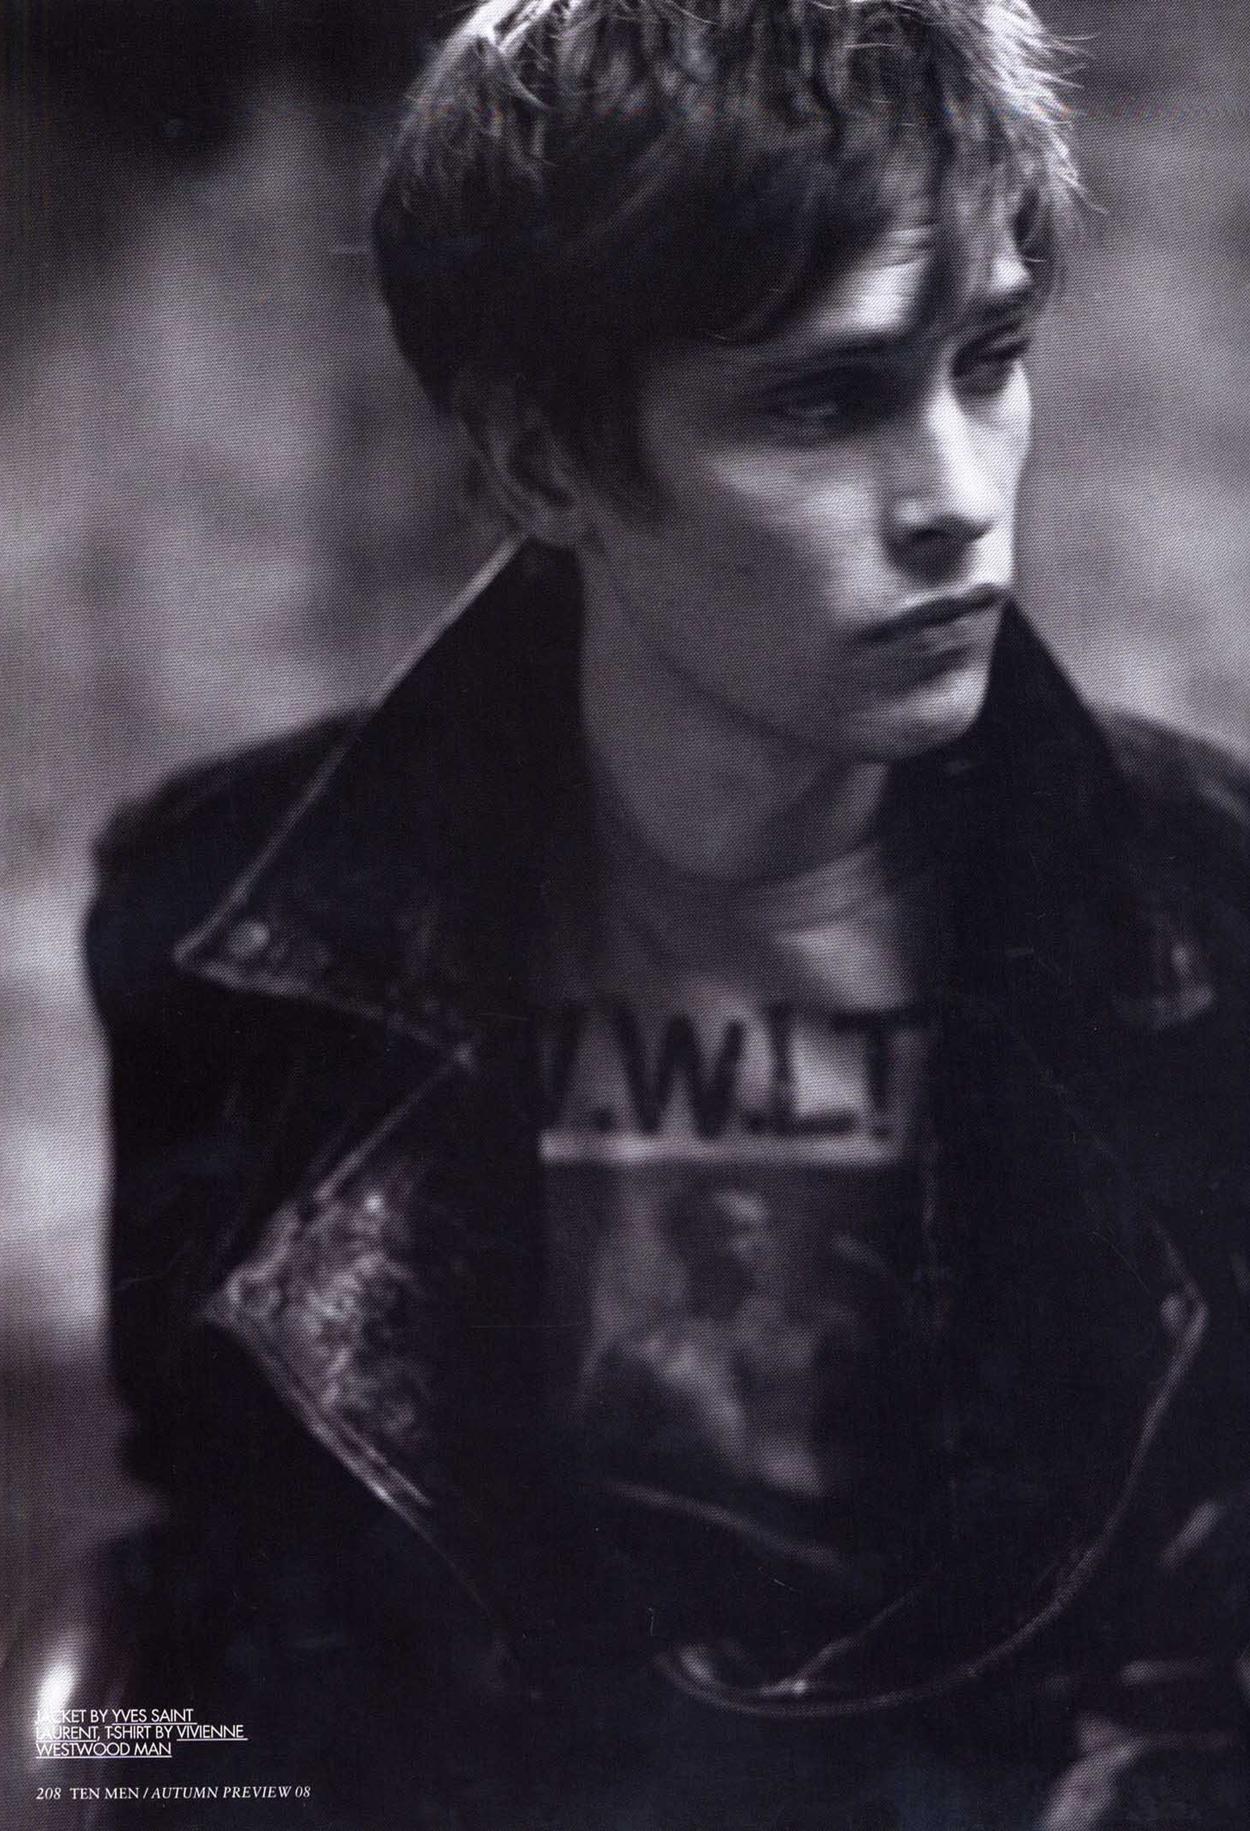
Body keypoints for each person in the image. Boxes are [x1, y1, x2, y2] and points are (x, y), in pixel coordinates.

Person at [8, 1, 1250, 1825]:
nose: (958, 499)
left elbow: (1211, 1668)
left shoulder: (1208, 911)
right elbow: (216, 1610)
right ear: (541, 464)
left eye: (988, 360)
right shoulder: (227, 917)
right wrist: (106, 1774)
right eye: (822, 401)